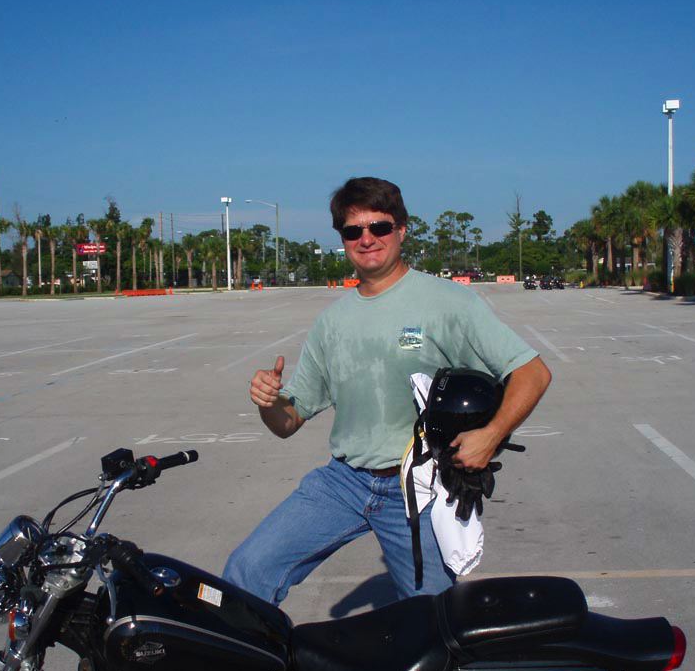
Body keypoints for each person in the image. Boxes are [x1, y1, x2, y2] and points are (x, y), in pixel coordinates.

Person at [222, 177, 551, 605]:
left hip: (417, 486)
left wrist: (490, 436)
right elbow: (288, 420)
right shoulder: (332, 322)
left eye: (379, 226)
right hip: (343, 481)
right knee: (247, 571)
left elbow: (532, 372)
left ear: (401, 230)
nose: (367, 239)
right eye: (352, 230)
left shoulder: (449, 302)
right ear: (342, 238)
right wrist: (269, 402)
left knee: (432, 617)